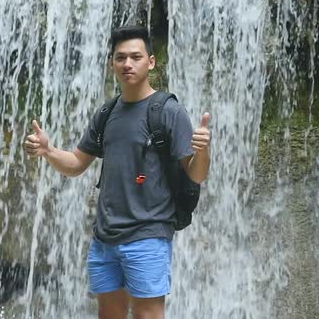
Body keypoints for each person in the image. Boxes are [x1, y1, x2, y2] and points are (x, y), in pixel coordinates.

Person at [24, 26, 211, 319]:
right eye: (120, 57)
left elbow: (196, 175)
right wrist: (48, 151)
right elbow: (75, 164)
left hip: (147, 236)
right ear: (111, 62)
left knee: (147, 316)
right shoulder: (106, 113)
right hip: (105, 240)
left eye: (135, 57)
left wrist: (203, 151)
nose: (127, 64)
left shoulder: (168, 111)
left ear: (151, 62)